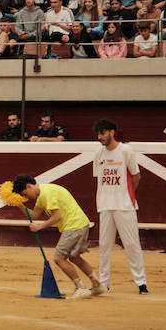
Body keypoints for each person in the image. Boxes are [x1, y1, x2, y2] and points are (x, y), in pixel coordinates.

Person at [10, 174, 104, 300]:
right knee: (75, 258)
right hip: (79, 223)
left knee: (59, 258)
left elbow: (57, 217)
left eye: (25, 194)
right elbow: (34, 215)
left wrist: (40, 227)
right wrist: (19, 204)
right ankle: (97, 285)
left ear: (29, 186)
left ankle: (80, 287)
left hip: (73, 226)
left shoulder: (46, 193)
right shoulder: (43, 193)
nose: (26, 198)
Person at [92, 118, 148, 294]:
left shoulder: (126, 151)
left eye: (102, 133)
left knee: (132, 244)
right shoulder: (98, 154)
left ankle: (141, 283)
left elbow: (136, 176)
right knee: (104, 246)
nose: (100, 137)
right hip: (105, 205)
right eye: (98, 134)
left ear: (112, 132)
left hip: (124, 205)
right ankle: (103, 283)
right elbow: (98, 179)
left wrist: (126, 194)